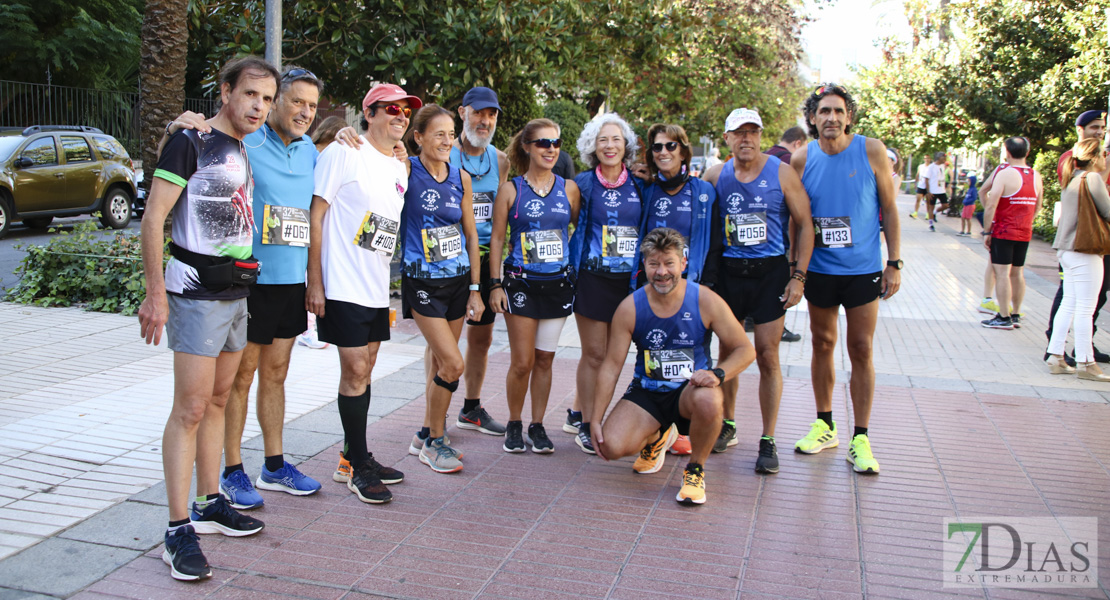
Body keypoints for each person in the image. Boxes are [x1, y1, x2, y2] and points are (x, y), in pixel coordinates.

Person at [138, 56, 277, 582]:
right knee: (191, 408)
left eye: (266, 99)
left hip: (235, 291)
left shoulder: (242, 145)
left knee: (220, 399)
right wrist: (156, 296)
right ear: (225, 93)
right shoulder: (189, 141)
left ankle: (209, 499)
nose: (258, 107)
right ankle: (177, 530)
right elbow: (153, 218)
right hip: (193, 292)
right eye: (250, 95)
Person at [308, 83, 419, 503]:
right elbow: (316, 215)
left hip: (374, 287)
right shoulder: (343, 152)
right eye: (390, 109)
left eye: (405, 112)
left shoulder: (397, 165)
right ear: (368, 114)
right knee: (355, 369)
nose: (400, 116)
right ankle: (356, 467)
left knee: (366, 368)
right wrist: (314, 282)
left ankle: (356, 454)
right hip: (340, 282)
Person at [591, 228, 755, 505]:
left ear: (683, 263)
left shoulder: (704, 300)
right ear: (644, 265)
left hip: (690, 391)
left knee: (710, 401)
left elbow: (745, 349)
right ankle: (658, 435)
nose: (661, 272)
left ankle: (695, 470)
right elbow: (611, 366)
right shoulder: (630, 307)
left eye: (669, 263)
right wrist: (594, 419)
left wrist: (718, 374)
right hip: (649, 392)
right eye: (654, 263)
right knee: (612, 447)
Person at [791, 83, 901, 474]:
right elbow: (797, 220)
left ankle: (861, 436)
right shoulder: (802, 159)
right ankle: (825, 424)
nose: (831, 118)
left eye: (838, 111)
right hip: (820, 270)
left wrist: (895, 262)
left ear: (849, 116)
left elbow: (889, 207)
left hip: (863, 271)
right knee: (822, 343)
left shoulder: (870, 150)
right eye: (824, 111)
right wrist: (795, 271)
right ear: (813, 118)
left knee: (861, 349)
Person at [702, 108, 814, 473]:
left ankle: (768, 439)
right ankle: (728, 424)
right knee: (729, 352)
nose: (746, 139)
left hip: (770, 274)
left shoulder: (781, 173)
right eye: (739, 133)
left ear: (761, 136)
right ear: (727, 138)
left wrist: (798, 276)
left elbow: (806, 224)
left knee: (767, 355)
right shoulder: (715, 175)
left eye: (753, 132)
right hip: (730, 275)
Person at [399, 105, 484, 472]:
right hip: (422, 281)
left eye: (451, 134)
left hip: (458, 281)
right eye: (439, 134)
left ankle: (426, 431)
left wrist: (477, 288)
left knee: (439, 363)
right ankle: (435, 442)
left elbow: (471, 235)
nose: (447, 140)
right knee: (453, 363)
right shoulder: (405, 168)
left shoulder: (461, 178)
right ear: (418, 137)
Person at [488, 118, 581, 453]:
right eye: (543, 143)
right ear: (527, 146)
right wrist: (495, 285)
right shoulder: (511, 189)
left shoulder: (569, 189)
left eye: (556, 143)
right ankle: (514, 422)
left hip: (556, 285)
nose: (551, 149)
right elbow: (498, 239)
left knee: (545, 360)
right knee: (523, 361)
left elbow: (576, 230)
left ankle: (537, 425)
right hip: (520, 284)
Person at [627, 123, 718, 456]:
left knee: (690, 356)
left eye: (670, 146)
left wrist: (706, 287)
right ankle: (658, 427)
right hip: (654, 288)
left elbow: (716, 242)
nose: (663, 152)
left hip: (692, 289)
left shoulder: (704, 191)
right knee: (654, 354)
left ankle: (684, 426)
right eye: (657, 147)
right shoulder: (645, 190)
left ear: (683, 151)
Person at [565, 113, 642, 454]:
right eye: (602, 140)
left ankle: (588, 412)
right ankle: (584, 421)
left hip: (629, 282)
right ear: (592, 147)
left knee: (616, 355)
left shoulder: (641, 183)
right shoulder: (581, 183)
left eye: (615, 139)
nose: (610, 146)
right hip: (592, 277)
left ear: (626, 145)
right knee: (594, 355)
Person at [451, 87, 510, 437]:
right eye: (478, 113)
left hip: (486, 257)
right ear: (462, 113)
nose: (485, 121)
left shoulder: (499, 160)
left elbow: (499, 216)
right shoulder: (446, 152)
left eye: (491, 115)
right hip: (449, 257)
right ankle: (435, 410)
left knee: (481, 339)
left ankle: (471, 408)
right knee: (443, 342)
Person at [1046, 110, 1110, 364]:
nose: (1101, 131)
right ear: (1080, 130)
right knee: (1078, 300)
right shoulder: (1076, 162)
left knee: (1092, 296)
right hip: (1084, 242)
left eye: (1103, 127)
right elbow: (1099, 197)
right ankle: (1076, 355)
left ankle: (1067, 351)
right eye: (1095, 127)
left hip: (1088, 243)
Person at [980, 137, 1043, 330]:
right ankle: (1015, 313)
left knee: (1002, 274)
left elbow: (991, 204)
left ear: (1007, 152)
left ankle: (1003, 316)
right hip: (1024, 231)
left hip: (1004, 230)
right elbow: (1038, 206)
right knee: (1017, 273)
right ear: (1027, 152)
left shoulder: (1005, 174)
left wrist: (987, 231)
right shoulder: (1036, 176)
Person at [923, 152, 947, 231]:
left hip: (941, 190)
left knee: (945, 205)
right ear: (939, 158)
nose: (945, 160)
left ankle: (935, 213)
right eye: (943, 158)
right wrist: (928, 191)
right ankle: (931, 224)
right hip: (933, 190)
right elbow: (926, 179)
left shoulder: (943, 166)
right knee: (931, 206)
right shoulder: (931, 167)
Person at [911, 154, 932, 220]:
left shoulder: (931, 167)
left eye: (928, 158)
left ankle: (928, 214)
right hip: (921, 184)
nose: (927, 160)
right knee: (918, 199)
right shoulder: (921, 166)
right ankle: (915, 212)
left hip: (928, 186)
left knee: (928, 201)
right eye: (925, 158)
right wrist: (915, 183)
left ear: (930, 159)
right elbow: (917, 174)